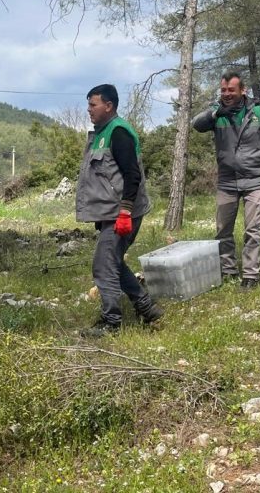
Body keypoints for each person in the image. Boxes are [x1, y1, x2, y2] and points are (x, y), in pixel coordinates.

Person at [76, 84, 163, 337]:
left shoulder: (119, 132)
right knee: (113, 262)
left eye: (93, 105)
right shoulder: (101, 133)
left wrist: (124, 212)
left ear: (109, 106)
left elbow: (132, 175)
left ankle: (111, 323)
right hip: (111, 214)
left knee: (103, 266)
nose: (89, 110)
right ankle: (148, 309)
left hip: (123, 214)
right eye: (89, 105)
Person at [191, 71, 260, 291]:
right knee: (222, 229)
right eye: (223, 90)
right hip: (227, 181)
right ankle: (228, 271)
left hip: (255, 179)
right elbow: (196, 124)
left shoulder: (258, 112)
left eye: (231, 90)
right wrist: (216, 114)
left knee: (252, 229)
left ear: (242, 90)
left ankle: (250, 275)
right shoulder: (217, 112)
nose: (226, 94)